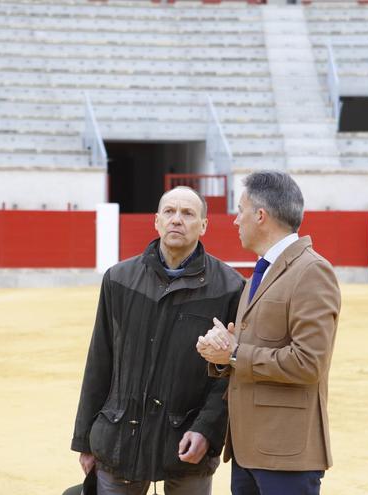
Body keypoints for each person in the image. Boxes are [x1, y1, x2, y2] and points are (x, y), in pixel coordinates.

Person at [72, 186, 244, 494]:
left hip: (188, 441)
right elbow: (101, 358)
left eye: (188, 213)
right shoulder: (118, 279)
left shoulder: (231, 288)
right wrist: (85, 440)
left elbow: (229, 374)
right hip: (120, 438)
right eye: (169, 212)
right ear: (156, 221)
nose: (177, 219)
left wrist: (206, 429)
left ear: (203, 225)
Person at [196, 171, 341, 495]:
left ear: (260, 216)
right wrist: (223, 351)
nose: (235, 221)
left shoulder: (311, 271)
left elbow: (308, 362)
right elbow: (252, 350)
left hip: (287, 455)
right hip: (250, 449)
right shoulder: (263, 270)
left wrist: (234, 353)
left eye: (240, 210)